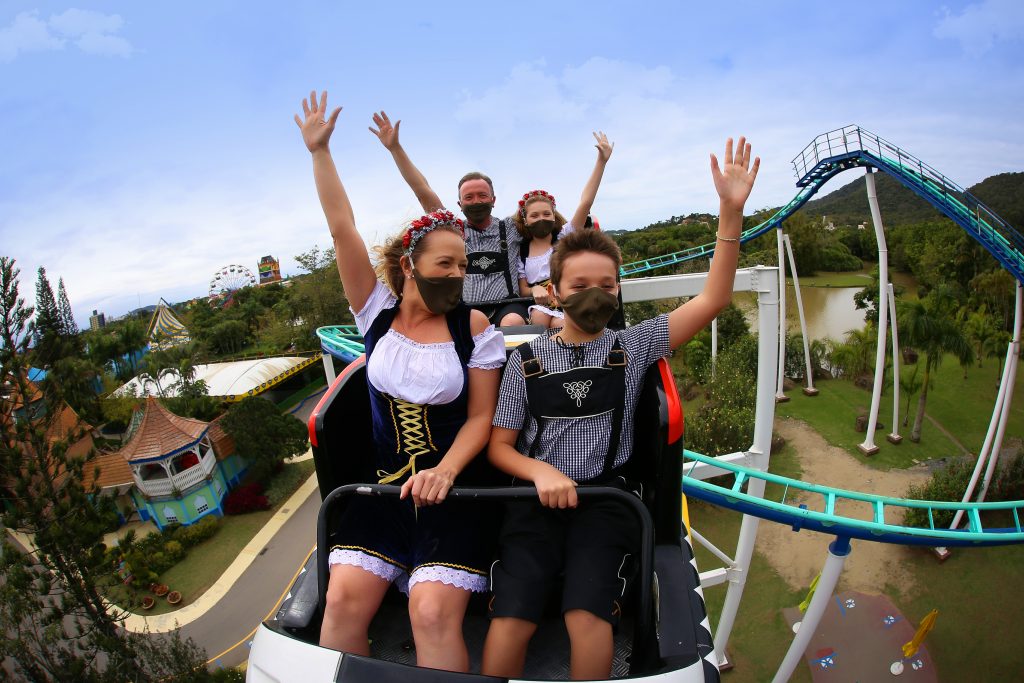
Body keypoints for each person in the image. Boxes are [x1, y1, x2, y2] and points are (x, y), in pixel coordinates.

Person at [482, 137, 760, 680]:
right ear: (555, 292)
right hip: (537, 504)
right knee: (511, 618)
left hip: (605, 501)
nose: (595, 295)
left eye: (606, 285)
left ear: (618, 290)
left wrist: (731, 213)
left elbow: (713, 299)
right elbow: (500, 447)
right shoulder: (528, 360)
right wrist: (540, 474)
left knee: (589, 617)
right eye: (580, 285)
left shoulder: (631, 346)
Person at [295, 90, 505, 672]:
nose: (457, 275)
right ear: (411, 264)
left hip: (454, 491)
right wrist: (320, 152)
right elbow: (343, 230)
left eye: (463, 266)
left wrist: (445, 470)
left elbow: (481, 419)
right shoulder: (376, 313)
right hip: (384, 491)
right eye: (446, 264)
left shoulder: (474, 328)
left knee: (431, 613)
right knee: (341, 602)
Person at [369, 111, 528, 325]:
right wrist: (395, 148)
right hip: (464, 307)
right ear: (459, 205)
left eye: (482, 196)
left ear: (493, 199)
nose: (476, 201)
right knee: (461, 328)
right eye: (469, 197)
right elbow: (422, 190)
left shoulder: (511, 226)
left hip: (508, 305)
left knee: (513, 323)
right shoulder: (452, 229)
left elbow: (550, 221)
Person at [514, 131, 614, 328]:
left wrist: (601, 162)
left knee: (561, 324)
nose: (541, 219)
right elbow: (522, 288)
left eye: (546, 214)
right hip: (540, 302)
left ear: (553, 216)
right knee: (539, 322)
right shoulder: (522, 249)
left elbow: (585, 203)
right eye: (534, 216)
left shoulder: (564, 237)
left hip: (565, 297)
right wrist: (534, 291)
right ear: (525, 220)